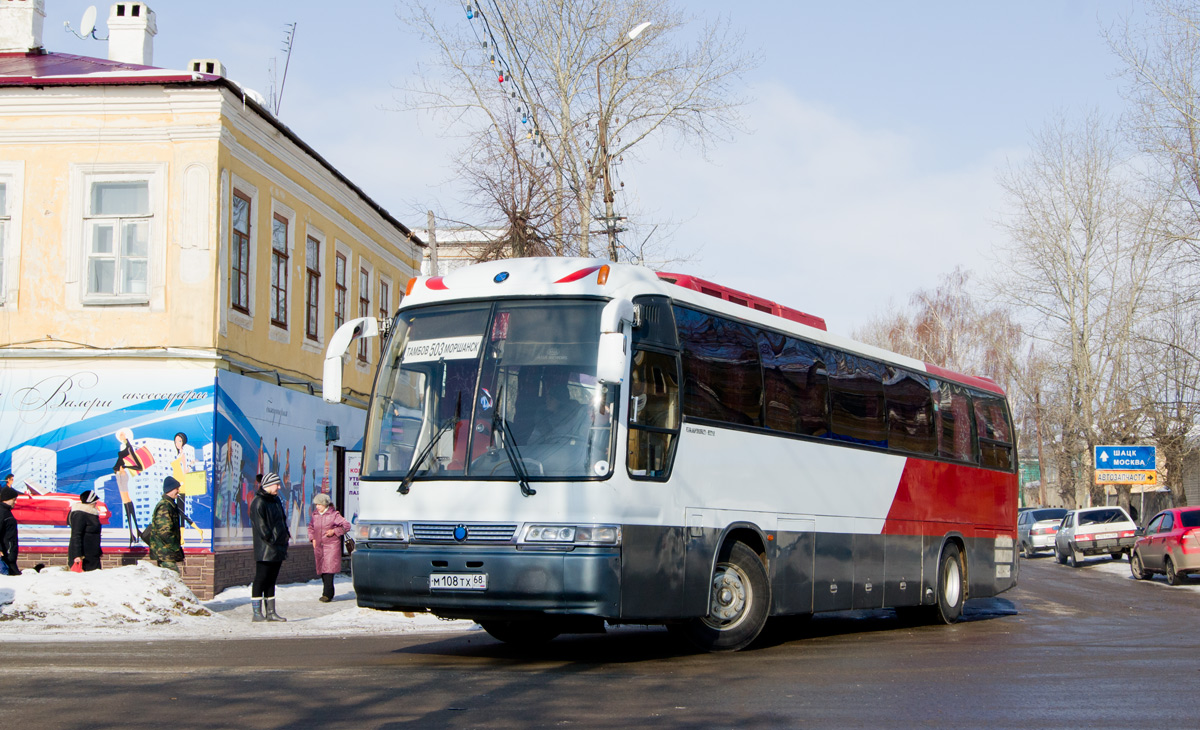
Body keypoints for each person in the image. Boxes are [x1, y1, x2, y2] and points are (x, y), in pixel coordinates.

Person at [250, 472, 290, 622]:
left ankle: (271, 612)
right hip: (266, 548)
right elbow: (262, 527)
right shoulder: (258, 502)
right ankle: (256, 613)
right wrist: (273, 539)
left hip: (278, 547)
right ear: (268, 485)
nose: (279, 487)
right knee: (261, 578)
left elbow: (282, 520)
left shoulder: (276, 500)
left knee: (272, 580)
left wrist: (285, 536)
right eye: (276, 485)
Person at [307, 493, 352, 602]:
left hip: (331, 546)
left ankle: (327, 594)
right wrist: (312, 538)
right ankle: (328, 592)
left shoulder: (334, 515)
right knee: (322, 569)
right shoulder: (315, 515)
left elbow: (347, 525)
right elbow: (311, 527)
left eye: (319, 504)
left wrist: (334, 531)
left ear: (325, 504)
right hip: (319, 546)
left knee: (328, 569)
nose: (317, 506)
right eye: (316, 504)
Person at [113, 429, 144, 547]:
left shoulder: (129, 447)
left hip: (122, 475)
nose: (121, 436)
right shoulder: (123, 446)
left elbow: (138, 465)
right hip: (119, 475)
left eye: (122, 434)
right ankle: (134, 531)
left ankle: (134, 531)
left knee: (127, 501)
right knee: (126, 501)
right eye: (120, 434)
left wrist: (124, 467)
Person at [147, 477, 186, 573]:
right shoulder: (165, 506)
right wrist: (175, 548)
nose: (178, 491)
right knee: (173, 579)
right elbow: (165, 532)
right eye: (177, 488)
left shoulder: (170, 504)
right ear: (170, 489)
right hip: (165, 553)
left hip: (167, 553)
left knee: (169, 580)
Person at [68, 489, 104, 571]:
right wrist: (77, 555)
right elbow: (76, 535)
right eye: (95, 501)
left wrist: (98, 550)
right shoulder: (80, 514)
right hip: (84, 555)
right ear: (90, 502)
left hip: (93, 553)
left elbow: (94, 535)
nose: (96, 503)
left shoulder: (91, 513)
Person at [0, 485, 20, 575]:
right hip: (5, 554)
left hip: (9, 554)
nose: (15, 502)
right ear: (7, 499)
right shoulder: (2, 512)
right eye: (14, 499)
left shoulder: (7, 512)